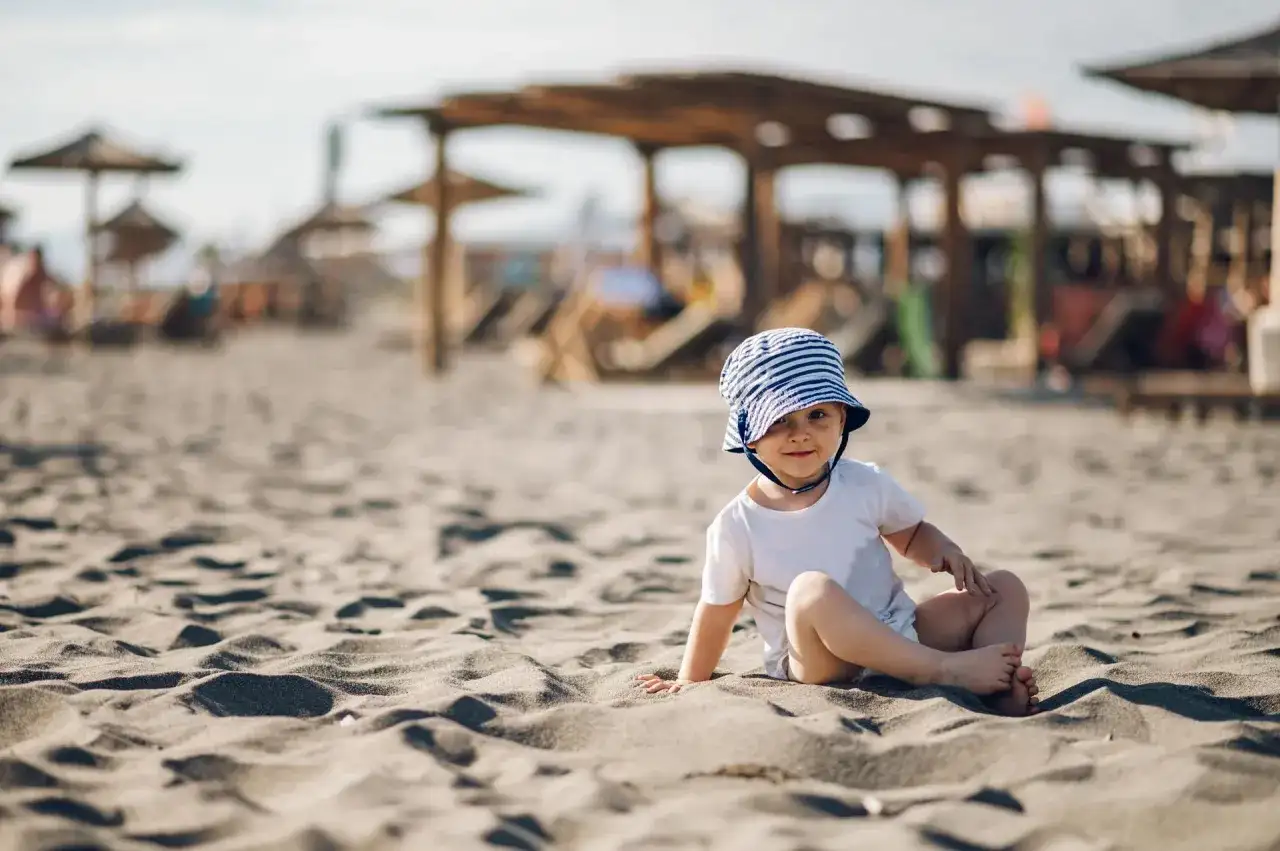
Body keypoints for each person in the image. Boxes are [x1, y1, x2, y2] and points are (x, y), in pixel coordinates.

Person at [636, 328, 1039, 716]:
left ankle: (999, 687)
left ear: (842, 419)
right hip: (821, 661)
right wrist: (689, 681)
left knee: (1003, 587)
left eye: (817, 415)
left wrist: (944, 551)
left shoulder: (863, 483)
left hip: (900, 631)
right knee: (812, 591)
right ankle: (942, 670)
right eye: (778, 421)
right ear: (748, 436)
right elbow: (716, 614)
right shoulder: (737, 525)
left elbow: (912, 535)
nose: (800, 435)